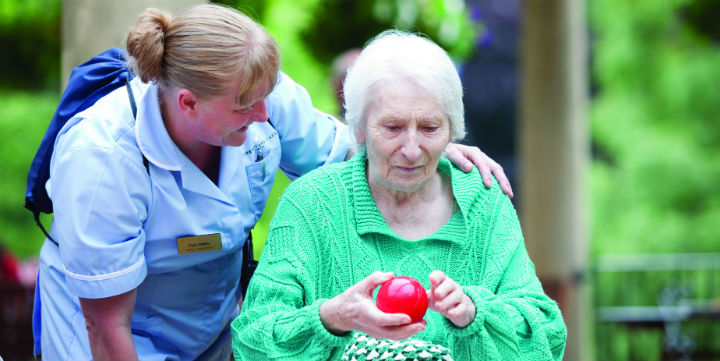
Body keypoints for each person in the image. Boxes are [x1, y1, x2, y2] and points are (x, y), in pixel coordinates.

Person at [33, 5, 512, 361]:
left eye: (266, 97)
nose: (264, 116)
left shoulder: (256, 87)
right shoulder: (101, 157)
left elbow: (350, 153)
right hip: (114, 336)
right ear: (187, 104)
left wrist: (424, 146)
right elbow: (106, 323)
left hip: (215, 322)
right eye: (245, 107)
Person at [231, 30, 565, 361]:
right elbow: (253, 340)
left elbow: (547, 338)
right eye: (392, 128)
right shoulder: (311, 202)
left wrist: (476, 314)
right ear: (359, 129)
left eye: (430, 128)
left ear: (453, 130)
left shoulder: (483, 201)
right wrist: (330, 318)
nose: (411, 150)